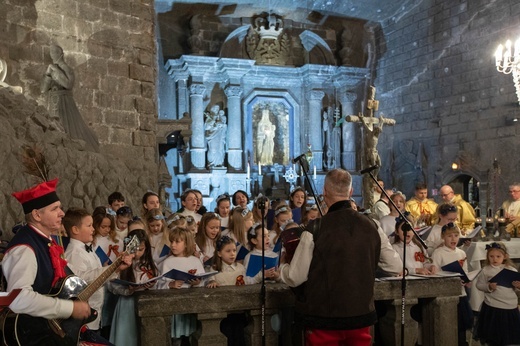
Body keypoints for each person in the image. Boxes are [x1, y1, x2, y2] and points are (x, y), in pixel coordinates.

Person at [280, 169, 381, 345]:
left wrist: (282, 267)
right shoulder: (371, 226)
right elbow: (393, 265)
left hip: (324, 319)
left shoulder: (316, 228)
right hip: (360, 315)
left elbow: (295, 277)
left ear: (324, 192)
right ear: (350, 192)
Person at [3, 179, 92, 345]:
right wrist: (69, 308)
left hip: (49, 331)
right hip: (33, 336)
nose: (62, 213)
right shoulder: (25, 248)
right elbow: (17, 298)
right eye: (55, 209)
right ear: (37, 215)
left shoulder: (46, 241)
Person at [63, 207, 133, 342]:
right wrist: (114, 268)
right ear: (75, 230)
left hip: (94, 315)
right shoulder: (74, 254)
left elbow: (97, 276)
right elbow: (84, 280)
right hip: (83, 320)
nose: (93, 229)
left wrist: (116, 269)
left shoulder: (87, 248)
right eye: (89, 226)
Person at [40, 45, 99, 152]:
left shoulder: (66, 68)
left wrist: (55, 70)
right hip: (53, 101)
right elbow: (43, 90)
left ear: (60, 54)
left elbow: (68, 84)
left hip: (64, 101)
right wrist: (48, 74)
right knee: (54, 124)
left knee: (67, 125)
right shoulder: (51, 68)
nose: (52, 55)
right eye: (51, 53)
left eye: (54, 52)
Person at [109, 229, 158, 346]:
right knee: (126, 336)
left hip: (145, 302)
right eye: (134, 249)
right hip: (126, 304)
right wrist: (127, 290)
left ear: (146, 249)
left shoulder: (150, 264)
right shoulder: (120, 263)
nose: (137, 253)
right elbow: (111, 285)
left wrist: (151, 285)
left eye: (141, 250)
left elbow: (157, 283)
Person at [158, 227, 205, 345]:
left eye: (177, 242)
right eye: (172, 241)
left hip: (190, 304)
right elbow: (159, 283)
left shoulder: (195, 261)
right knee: (176, 338)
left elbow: (203, 280)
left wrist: (197, 283)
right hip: (173, 305)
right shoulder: (168, 262)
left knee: (190, 335)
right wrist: (170, 284)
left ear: (186, 243)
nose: (173, 245)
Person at [431, 223, 473, 346]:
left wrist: (467, 280)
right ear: (443, 237)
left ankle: (462, 342)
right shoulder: (438, 253)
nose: (453, 239)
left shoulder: (461, 253)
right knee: (449, 322)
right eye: (450, 236)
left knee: (462, 322)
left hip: (461, 293)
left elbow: (465, 271)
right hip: (446, 293)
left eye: (456, 235)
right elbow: (435, 272)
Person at [474, 242, 520, 345]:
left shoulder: (511, 270)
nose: (495, 259)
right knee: (493, 337)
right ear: (487, 257)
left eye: (498, 256)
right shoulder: (486, 270)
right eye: (491, 256)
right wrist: (489, 286)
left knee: (508, 337)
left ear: (505, 257)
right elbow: (479, 285)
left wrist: (518, 286)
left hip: (510, 307)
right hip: (493, 307)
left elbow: (515, 289)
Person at [205, 236, 249, 346]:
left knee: (239, 337)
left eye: (234, 250)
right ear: (219, 253)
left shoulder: (240, 268)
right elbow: (210, 280)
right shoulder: (214, 269)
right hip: (223, 311)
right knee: (227, 337)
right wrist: (212, 282)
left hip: (239, 309)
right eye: (228, 251)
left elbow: (247, 282)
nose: (232, 254)